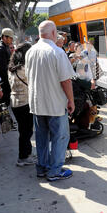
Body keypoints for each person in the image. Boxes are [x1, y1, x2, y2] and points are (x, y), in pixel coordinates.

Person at [25, 20, 76, 182]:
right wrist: (71, 100)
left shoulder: (30, 52)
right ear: (53, 33)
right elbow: (66, 81)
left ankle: (42, 168)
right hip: (55, 105)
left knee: (41, 138)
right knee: (60, 137)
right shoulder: (57, 52)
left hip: (37, 104)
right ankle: (54, 171)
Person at [8, 42, 35, 167]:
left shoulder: (11, 69)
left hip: (14, 103)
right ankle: (23, 157)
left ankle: (26, 153)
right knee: (26, 131)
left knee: (23, 130)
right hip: (25, 103)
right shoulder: (25, 68)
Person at [0, 28, 15, 107]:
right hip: (3, 82)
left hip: (6, 81)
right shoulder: (1, 49)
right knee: (4, 107)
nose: (12, 40)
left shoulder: (5, 46)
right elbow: (2, 69)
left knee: (6, 105)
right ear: (4, 37)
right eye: (10, 38)